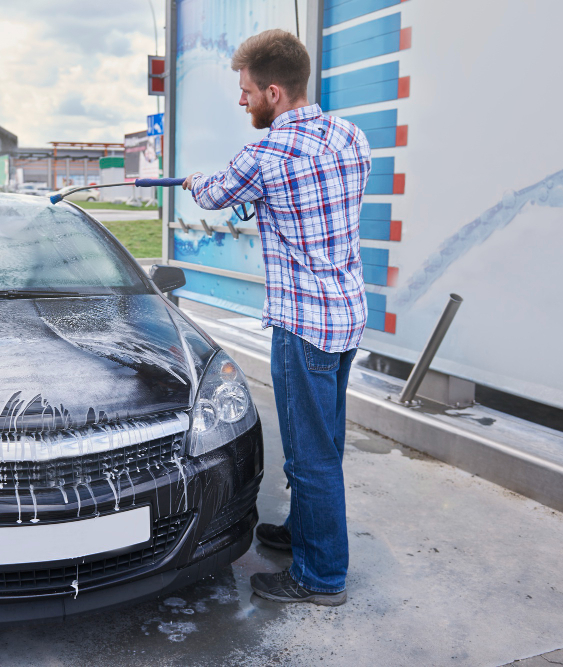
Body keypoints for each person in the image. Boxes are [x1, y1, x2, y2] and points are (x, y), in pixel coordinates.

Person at [182, 28, 371, 606]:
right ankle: (305, 532)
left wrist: (193, 181)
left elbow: (213, 194)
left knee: (310, 455)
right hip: (346, 317)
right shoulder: (351, 136)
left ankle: (320, 577)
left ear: (273, 92)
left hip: (304, 326)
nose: (241, 101)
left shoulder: (266, 155)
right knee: (325, 442)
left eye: (246, 91)